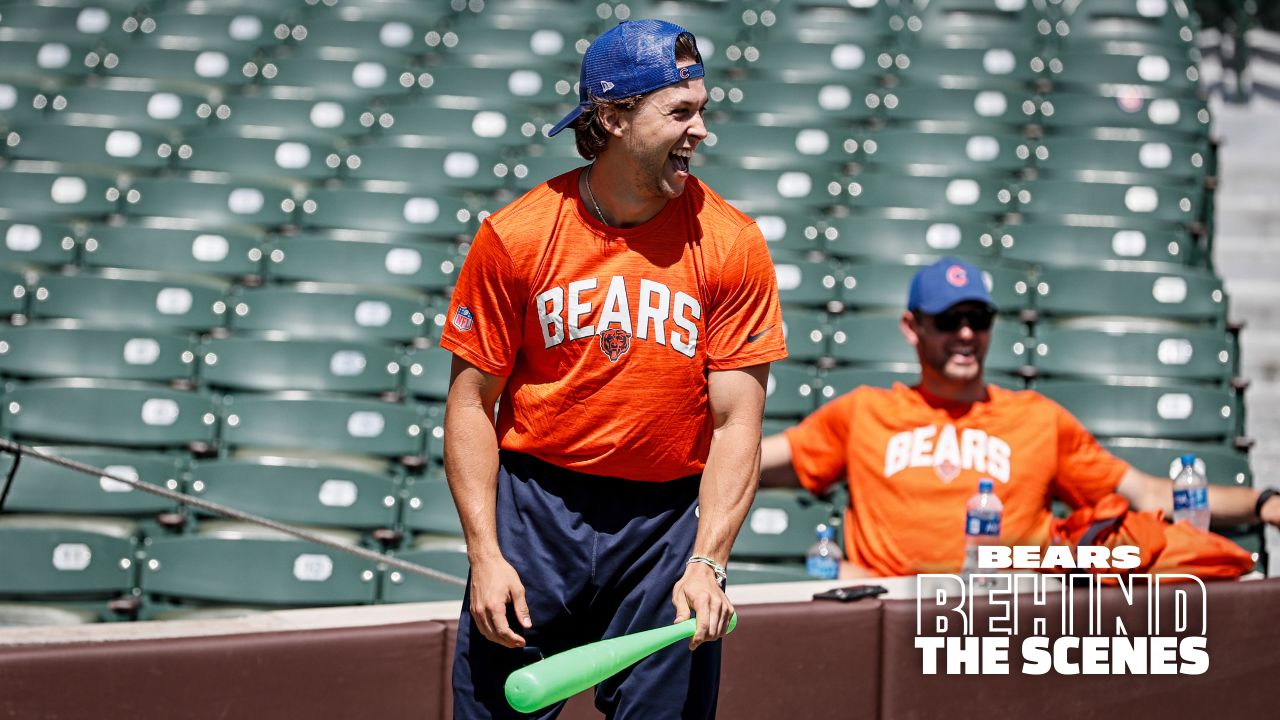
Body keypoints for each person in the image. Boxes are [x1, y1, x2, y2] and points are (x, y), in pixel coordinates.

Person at [440, 19, 787, 720]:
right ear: (613, 118)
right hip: (536, 515)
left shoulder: (731, 244)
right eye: (680, 112)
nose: (701, 131)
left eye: (703, 111)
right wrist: (484, 552)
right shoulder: (519, 236)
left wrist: (708, 560)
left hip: (664, 528)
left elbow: (736, 420)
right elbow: (472, 404)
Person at [760, 257, 1280, 577]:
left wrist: (1265, 503)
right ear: (912, 328)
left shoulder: (1038, 419)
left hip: (1006, 613)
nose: (966, 334)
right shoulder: (863, 413)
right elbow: (750, 458)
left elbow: (1151, 494)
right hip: (890, 610)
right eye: (949, 320)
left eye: (978, 319)